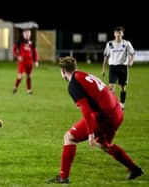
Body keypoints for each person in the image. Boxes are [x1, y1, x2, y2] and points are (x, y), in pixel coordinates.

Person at [46, 56, 143, 184]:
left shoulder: (73, 85)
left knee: (69, 137)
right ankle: (135, 169)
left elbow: (86, 111)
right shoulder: (83, 75)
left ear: (63, 71)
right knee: (104, 144)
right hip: (117, 111)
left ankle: (63, 177)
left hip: (105, 116)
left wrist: (91, 133)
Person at [101, 26, 135, 110]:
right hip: (113, 67)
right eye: (116, 32)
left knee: (122, 87)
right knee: (111, 87)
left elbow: (133, 53)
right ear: (114, 34)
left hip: (123, 67)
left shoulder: (126, 43)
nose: (118, 34)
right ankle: (112, 104)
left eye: (120, 32)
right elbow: (106, 56)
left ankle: (122, 103)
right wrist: (103, 69)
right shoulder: (110, 44)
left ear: (122, 34)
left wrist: (131, 62)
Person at [12, 29, 39, 95]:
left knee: (29, 76)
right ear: (23, 34)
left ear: (30, 34)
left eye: (28, 33)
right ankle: (15, 87)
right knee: (20, 76)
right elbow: (14, 49)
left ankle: (29, 90)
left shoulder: (32, 43)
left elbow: (35, 52)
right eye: (26, 33)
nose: (27, 35)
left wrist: (36, 61)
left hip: (29, 62)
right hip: (22, 62)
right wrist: (18, 56)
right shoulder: (19, 42)